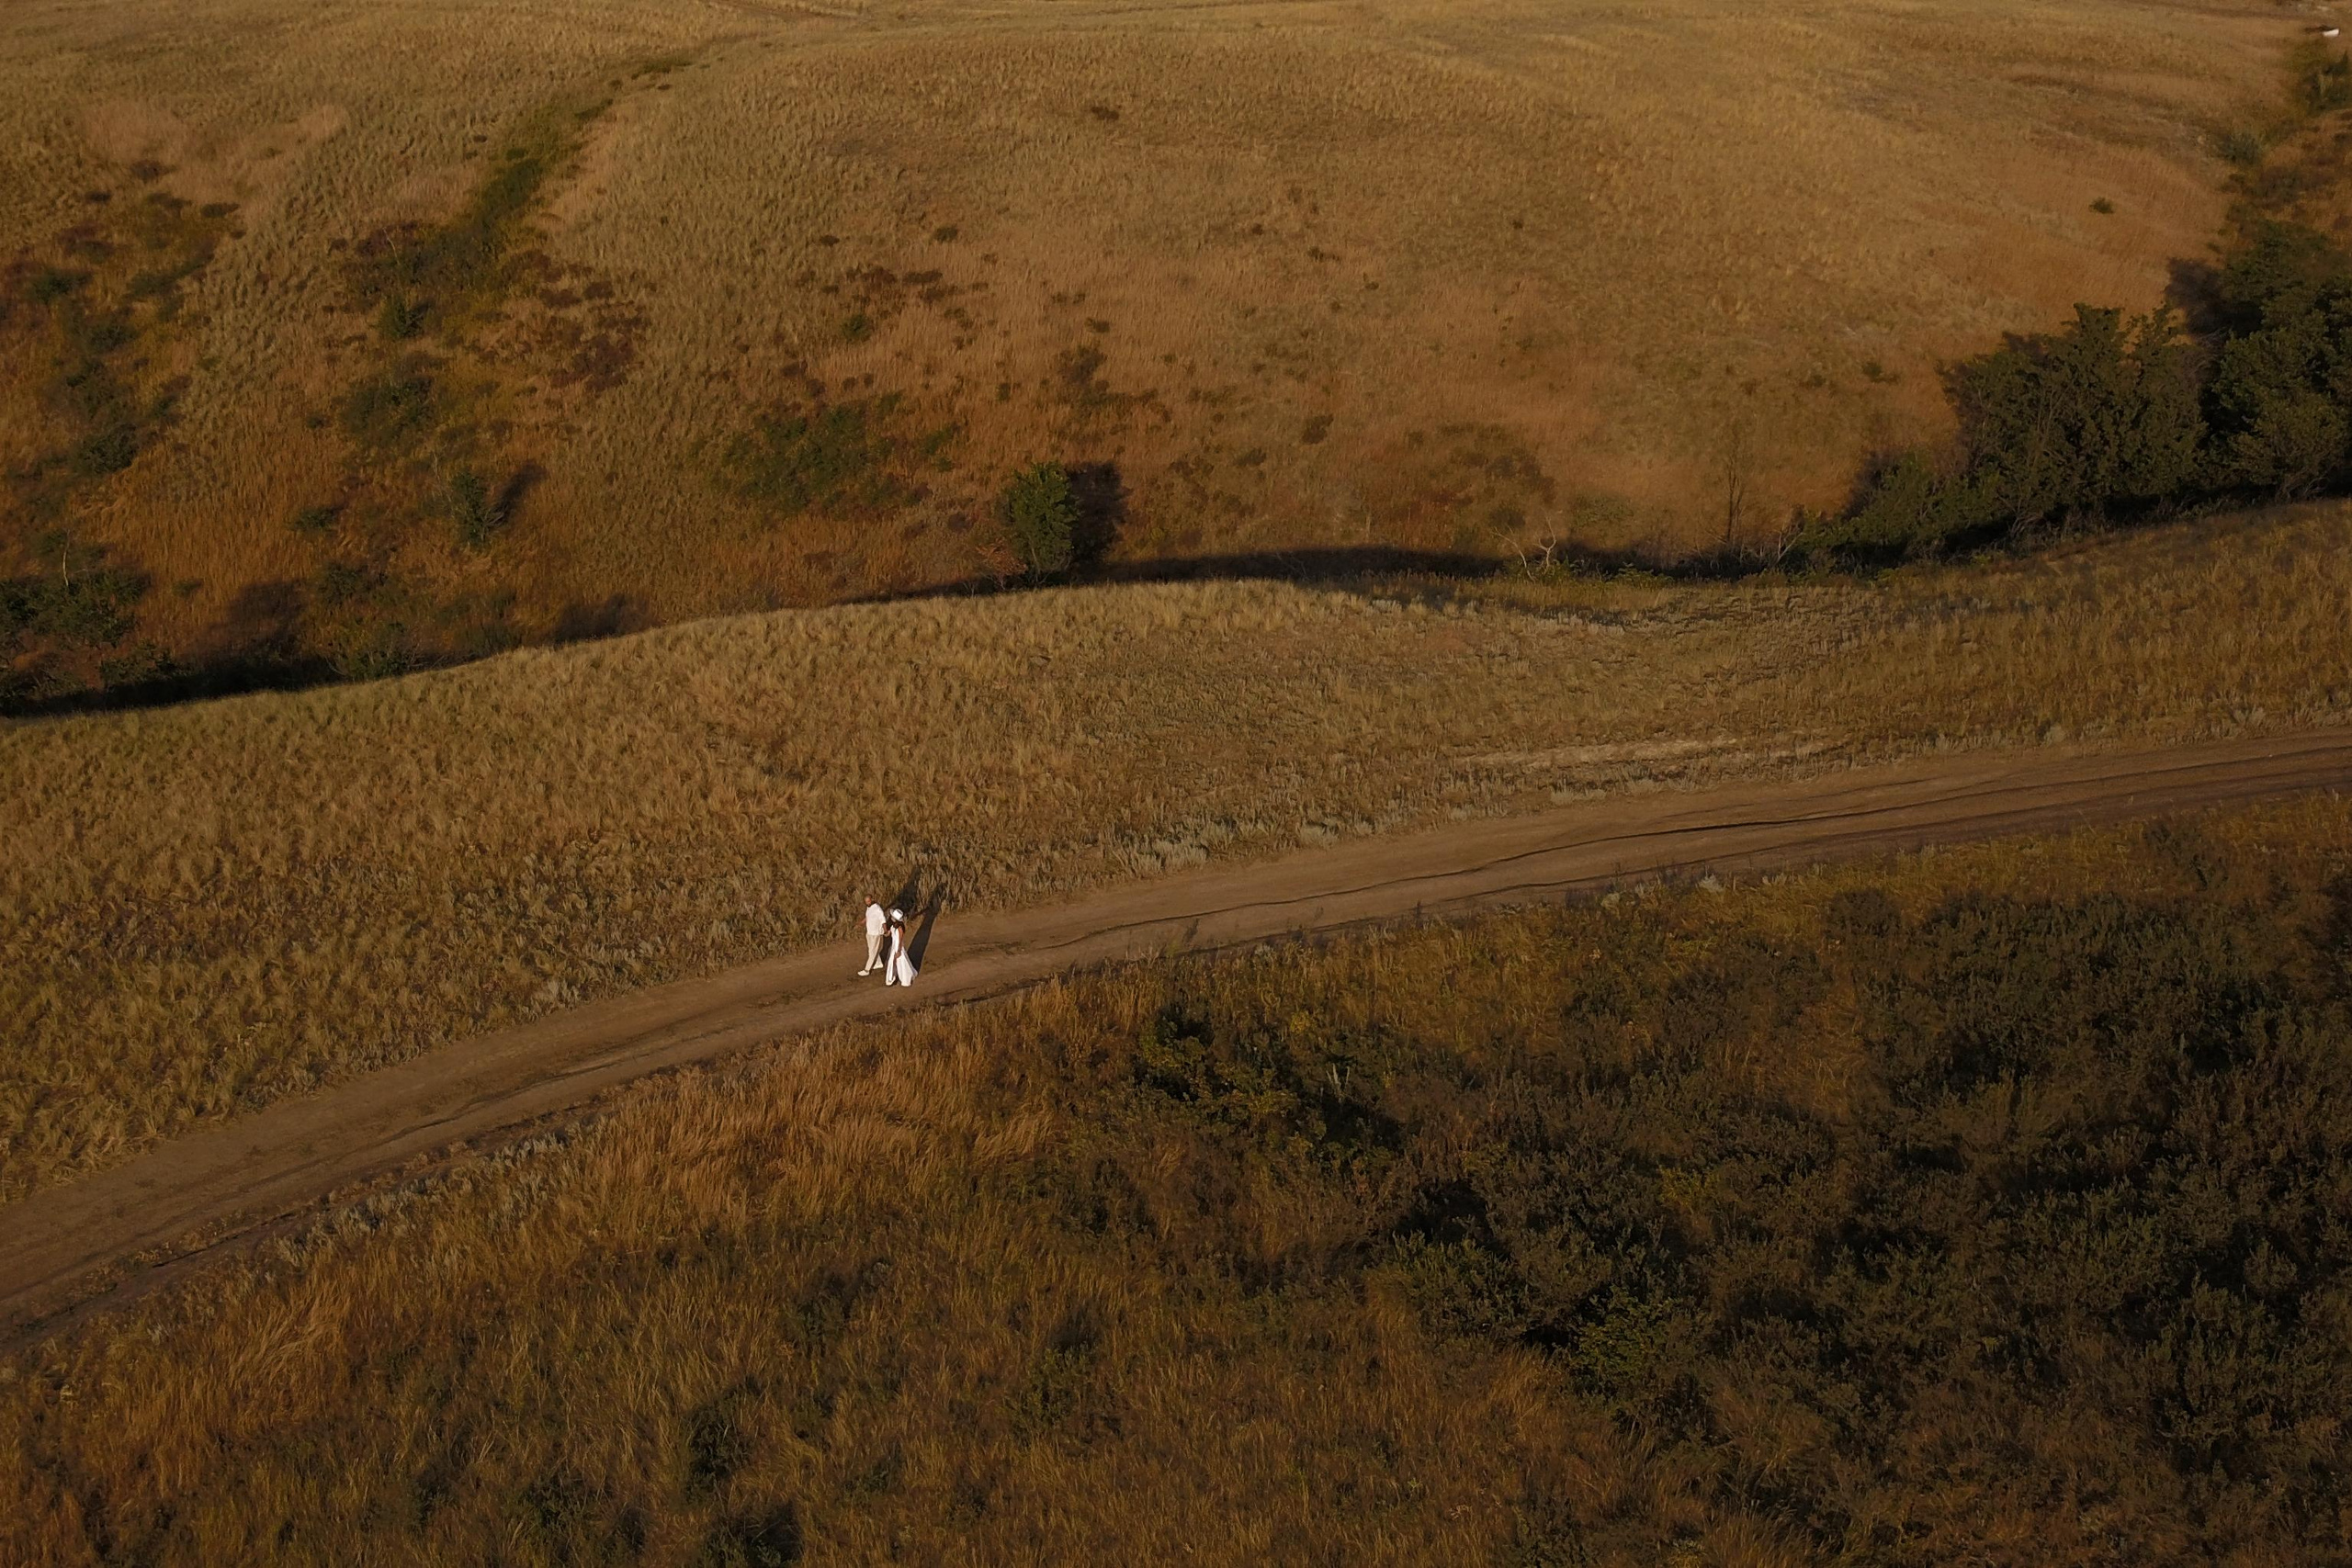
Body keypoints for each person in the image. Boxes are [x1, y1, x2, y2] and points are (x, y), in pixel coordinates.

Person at [884, 907, 915, 988]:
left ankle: (904, 978)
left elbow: (900, 940)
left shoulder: (900, 928)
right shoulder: (893, 926)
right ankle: (891, 978)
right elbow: (888, 934)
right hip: (894, 945)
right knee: (893, 960)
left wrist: (899, 950)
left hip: (897, 945)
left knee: (900, 961)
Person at [859, 897, 888, 976]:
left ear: (872, 900)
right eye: (866, 902)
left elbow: (883, 920)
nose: (867, 903)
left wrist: (885, 931)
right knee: (871, 949)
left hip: (875, 933)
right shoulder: (869, 908)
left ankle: (867, 970)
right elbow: (868, 916)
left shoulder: (877, 909)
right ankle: (878, 963)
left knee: (872, 952)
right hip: (869, 933)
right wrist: (862, 922)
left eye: (868, 901)